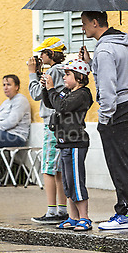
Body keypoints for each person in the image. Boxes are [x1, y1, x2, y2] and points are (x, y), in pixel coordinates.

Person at [80, 11, 128, 230]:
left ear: (96, 23)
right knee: (125, 159)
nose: (83, 28)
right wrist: (91, 63)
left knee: (117, 161)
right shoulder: (123, 42)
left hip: (117, 108)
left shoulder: (104, 49)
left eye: (85, 24)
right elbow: (116, 73)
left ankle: (124, 211)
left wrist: (104, 118)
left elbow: (107, 88)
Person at [42, 59, 93, 231]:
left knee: (77, 181)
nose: (64, 77)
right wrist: (45, 88)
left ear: (79, 77)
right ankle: (73, 217)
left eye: (67, 74)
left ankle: (84, 217)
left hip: (76, 143)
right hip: (64, 143)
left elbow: (62, 107)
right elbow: (51, 103)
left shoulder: (83, 94)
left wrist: (51, 89)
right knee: (67, 182)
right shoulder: (67, 91)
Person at [27, 37, 69, 224]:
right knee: (58, 169)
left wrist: (31, 73)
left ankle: (51, 212)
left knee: (48, 168)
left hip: (51, 124)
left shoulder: (51, 71)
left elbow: (37, 94)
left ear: (50, 54)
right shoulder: (63, 70)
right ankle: (62, 209)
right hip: (62, 123)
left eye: (42, 53)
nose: (39, 57)